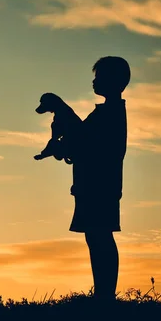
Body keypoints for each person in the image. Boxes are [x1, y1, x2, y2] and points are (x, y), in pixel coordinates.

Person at [64, 56, 129, 302]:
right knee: (96, 236)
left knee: (99, 236)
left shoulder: (110, 114)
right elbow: (83, 139)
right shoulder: (106, 112)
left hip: (99, 186)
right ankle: (103, 294)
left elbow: (87, 141)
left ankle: (105, 295)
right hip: (96, 185)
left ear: (113, 81)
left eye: (99, 76)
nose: (94, 81)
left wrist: (64, 110)